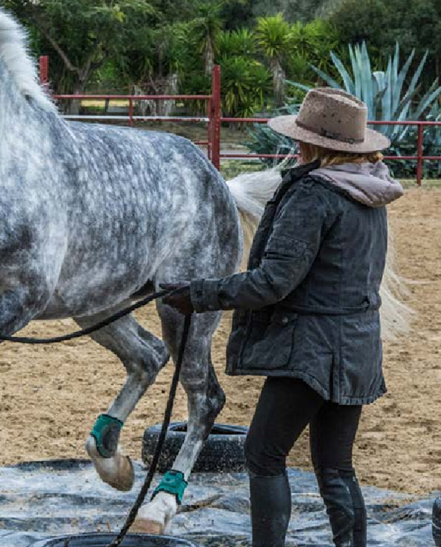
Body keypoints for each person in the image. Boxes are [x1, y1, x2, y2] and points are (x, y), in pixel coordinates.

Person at [163, 88, 405, 547]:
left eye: (301, 140)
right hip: (357, 346)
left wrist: (197, 295)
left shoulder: (314, 195)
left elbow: (272, 282)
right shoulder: (370, 191)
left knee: (263, 453)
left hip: (308, 350)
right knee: (336, 467)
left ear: (315, 145)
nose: (296, 148)